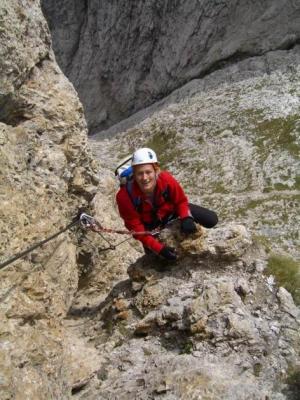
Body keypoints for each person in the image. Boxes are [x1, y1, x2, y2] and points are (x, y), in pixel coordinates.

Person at [116, 148, 218, 261]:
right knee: (160, 260)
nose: (145, 178)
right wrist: (159, 249)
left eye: (148, 172)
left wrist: (186, 217)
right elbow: (137, 230)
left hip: (170, 213)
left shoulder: (166, 179)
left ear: (156, 171)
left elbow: (180, 201)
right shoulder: (124, 197)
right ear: (134, 175)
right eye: (140, 173)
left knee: (211, 219)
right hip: (150, 227)